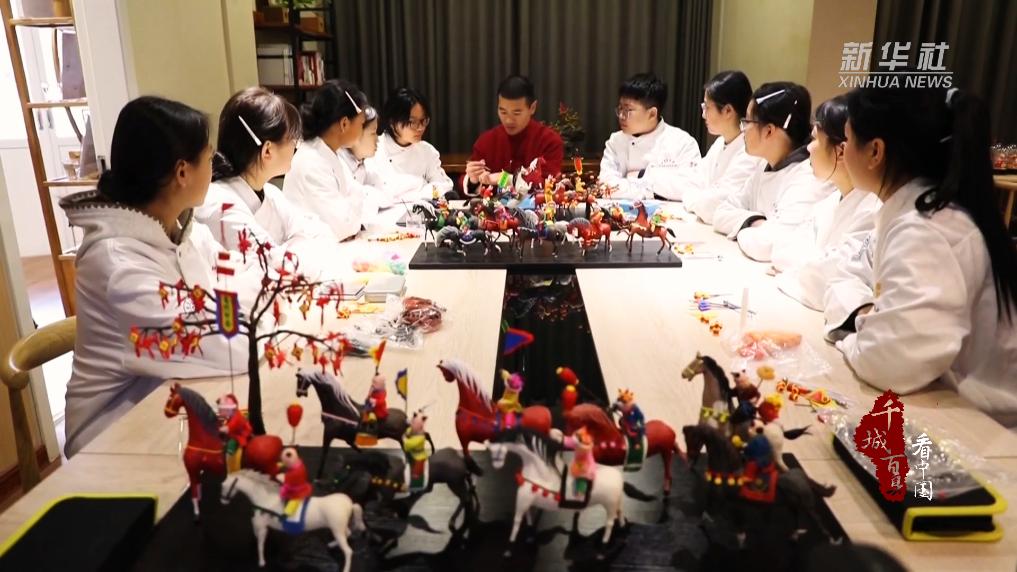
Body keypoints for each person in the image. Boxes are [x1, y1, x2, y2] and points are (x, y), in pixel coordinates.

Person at [60, 96, 257, 456]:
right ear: (182, 172)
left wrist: (235, 313)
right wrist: (240, 315)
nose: (213, 167)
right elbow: (230, 345)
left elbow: (238, 287)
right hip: (112, 434)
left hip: (173, 393)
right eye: (208, 158)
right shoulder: (118, 265)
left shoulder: (181, 230)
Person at [835, 85, 1017, 427]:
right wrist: (867, 320)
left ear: (875, 151)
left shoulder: (925, 228)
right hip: (952, 401)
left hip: (985, 427)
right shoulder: (918, 210)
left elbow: (891, 359)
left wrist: (855, 336)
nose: (842, 151)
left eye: (846, 139)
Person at [195, 87, 336, 278]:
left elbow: (323, 234)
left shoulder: (270, 192)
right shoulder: (220, 205)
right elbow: (279, 268)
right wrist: (292, 246)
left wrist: (287, 250)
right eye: (293, 140)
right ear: (267, 150)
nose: (296, 147)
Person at [771, 95, 882, 310]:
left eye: (814, 139)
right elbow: (782, 250)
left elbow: (825, 282)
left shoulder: (872, 210)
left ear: (841, 151)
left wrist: (797, 271)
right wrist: (809, 267)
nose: (808, 148)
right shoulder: (830, 201)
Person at [713, 82, 836, 261]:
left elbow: (768, 245)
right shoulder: (765, 165)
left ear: (769, 131)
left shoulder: (809, 178)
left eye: (747, 122)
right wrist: (755, 221)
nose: (743, 129)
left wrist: (743, 224)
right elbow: (720, 212)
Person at [283, 79, 375, 240]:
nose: (362, 131)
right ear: (344, 124)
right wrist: (356, 203)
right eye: (361, 124)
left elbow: (363, 204)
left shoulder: (330, 153)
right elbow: (343, 227)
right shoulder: (311, 162)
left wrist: (354, 205)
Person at [599, 72, 702, 200]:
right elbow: (606, 187)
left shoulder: (682, 142)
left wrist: (638, 177)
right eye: (620, 109)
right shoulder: (616, 141)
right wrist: (654, 189)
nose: (621, 116)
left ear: (652, 114)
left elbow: (691, 188)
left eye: (628, 110)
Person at [683, 70, 765, 222]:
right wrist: (700, 199)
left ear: (728, 110)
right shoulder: (720, 142)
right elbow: (690, 184)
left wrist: (699, 199)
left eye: (707, 107)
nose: (703, 114)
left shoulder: (750, 151)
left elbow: (715, 206)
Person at [462, 75, 563, 195]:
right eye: (503, 112)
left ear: (532, 108)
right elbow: (470, 185)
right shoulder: (486, 141)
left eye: (516, 113)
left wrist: (504, 178)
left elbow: (548, 186)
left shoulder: (549, 141)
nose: (508, 120)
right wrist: (473, 180)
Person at [372, 87, 454, 201]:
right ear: (392, 122)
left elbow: (443, 185)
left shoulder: (426, 151)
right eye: (412, 122)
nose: (420, 128)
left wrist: (417, 194)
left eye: (423, 121)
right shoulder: (374, 148)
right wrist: (419, 185)